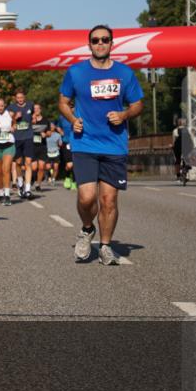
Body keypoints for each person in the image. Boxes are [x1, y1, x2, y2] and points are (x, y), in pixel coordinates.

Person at [59, 25, 143, 265]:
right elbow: (63, 102)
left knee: (109, 201)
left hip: (114, 145)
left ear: (111, 43)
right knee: (87, 198)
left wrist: (124, 115)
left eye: (105, 40)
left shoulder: (125, 74)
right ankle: (87, 229)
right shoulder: (75, 73)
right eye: (95, 40)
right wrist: (73, 120)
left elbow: (137, 104)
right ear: (89, 45)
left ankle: (105, 246)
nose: (100, 44)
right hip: (84, 142)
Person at [8, 88, 35, 200]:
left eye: (21, 97)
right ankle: (20, 183)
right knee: (18, 163)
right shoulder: (11, 107)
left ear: (25, 97)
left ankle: (28, 189)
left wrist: (32, 120)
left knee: (28, 163)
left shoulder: (30, 105)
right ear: (15, 98)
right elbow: (8, 121)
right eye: (18, 98)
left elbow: (32, 116)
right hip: (17, 138)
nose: (20, 99)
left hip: (28, 136)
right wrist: (15, 118)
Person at [30, 104, 52, 192]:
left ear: (40, 109)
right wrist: (32, 121)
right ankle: (31, 179)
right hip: (32, 145)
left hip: (42, 146)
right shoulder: (30, 119)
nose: (36, 110)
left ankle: (38, 184)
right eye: (34, 109)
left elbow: (50, 133)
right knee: (34, 167)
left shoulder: (46, 120)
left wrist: (45, 134)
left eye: (37, 108)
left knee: (42, 167)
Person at [57, 113, 77, 190]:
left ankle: (74, 182)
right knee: (69, 165)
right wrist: (61, 132)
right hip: (67, 142)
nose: (71, 109)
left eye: (72, 106)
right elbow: (58, 126)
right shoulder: (62, 117)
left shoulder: (79, 116)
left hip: (77, 142)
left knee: (76, 163)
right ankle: (67, 176)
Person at [172, 117, 194, 183]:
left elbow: (173, 141)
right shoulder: (189, 129)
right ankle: (186, 172)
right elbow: (192, 139)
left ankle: (178, 176)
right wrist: (193, 147)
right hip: (187, 147)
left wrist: (172, 146)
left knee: (177, 160)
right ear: (185, 123)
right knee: (187, 159)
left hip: (178, 148)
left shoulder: (175, 131)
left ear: (178, 124)